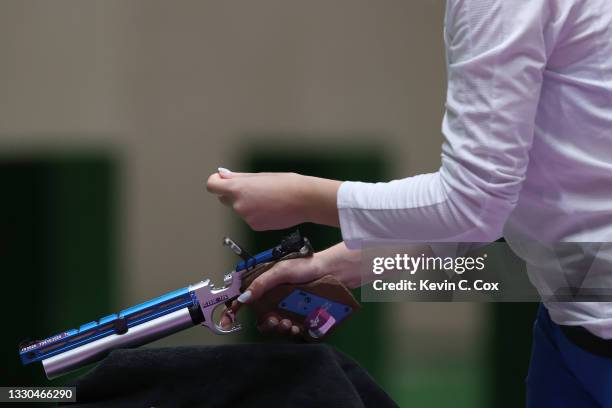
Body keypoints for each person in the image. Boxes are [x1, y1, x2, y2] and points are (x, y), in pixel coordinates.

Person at [207, 0, 612, 406]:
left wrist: (302, 198)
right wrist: (337, 265)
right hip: (572, 323)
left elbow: (473, 205)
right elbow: (508, 197)